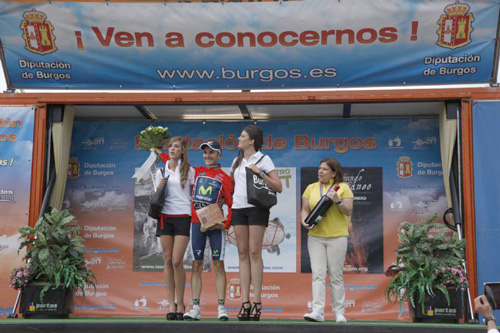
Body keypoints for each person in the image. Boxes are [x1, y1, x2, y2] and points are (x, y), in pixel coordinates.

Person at [230, 125, 283, 321]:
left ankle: (258, 301)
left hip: (256, 208)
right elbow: (232, 186)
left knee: (254, 252)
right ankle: (244, 301)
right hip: (238, 208)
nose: (239, 138)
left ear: (251, 140)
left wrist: (259, 173)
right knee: (242, 252)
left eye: (242, 136)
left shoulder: (264, 159)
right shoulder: (236, 160)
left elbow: (278, 186)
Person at [182, 140, 234, 321]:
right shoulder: (195, 172)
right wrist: (157, 151)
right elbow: (174, 162)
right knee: (196, 264)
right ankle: (195, 307)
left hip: (214, 225)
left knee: (218, 264)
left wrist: (225, 225)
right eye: (205, 153)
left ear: (219, 155)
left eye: (211, 153)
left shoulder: (225, 178)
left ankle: (222, 307)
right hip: (196, 223)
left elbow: (232, 205)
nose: (207, 156)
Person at [300, 158, 354, 323]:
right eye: (319, 168)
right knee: (318, 274)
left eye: (324, 169)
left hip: (337, 236)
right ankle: (317, 311)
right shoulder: (311, 188)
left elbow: (348, 210)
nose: (320, 171)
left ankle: (339, 313)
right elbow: (304, 209)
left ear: (333, 172)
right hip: (316, 237)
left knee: (336, 275)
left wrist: (337, 200)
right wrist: (304, 221)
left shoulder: (343, 188)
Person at [154, 136, 195, 320]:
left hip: (183, 216)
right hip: (165, 216)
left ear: (182, 151)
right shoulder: (160, 171)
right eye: (170, 146)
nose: (172, 149)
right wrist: (159, 186)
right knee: (167, 259)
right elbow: (156, 196)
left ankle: (181, 302)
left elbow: (194, 196)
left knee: (178, 261)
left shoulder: (190, 170)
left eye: (176, 146)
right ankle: (171, 304)